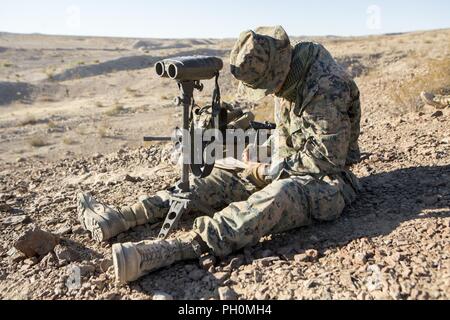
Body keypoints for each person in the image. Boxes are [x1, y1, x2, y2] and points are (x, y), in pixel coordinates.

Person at [76, 26, 362, 283]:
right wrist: (261, 154)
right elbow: (289, 134)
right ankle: (124, 217)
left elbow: (326, 159)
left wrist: (264, 171)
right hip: (285, 164)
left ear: (277, 70)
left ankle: (177, 249)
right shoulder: (291, 75)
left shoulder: (325, 88)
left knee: (279, 195)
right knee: (212, 179)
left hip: (328, 182)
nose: (267, 93)